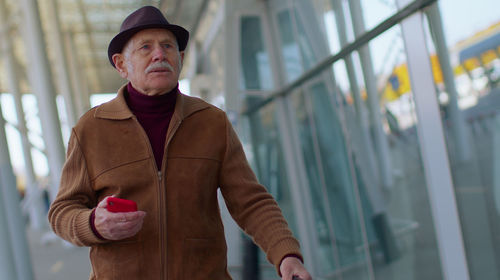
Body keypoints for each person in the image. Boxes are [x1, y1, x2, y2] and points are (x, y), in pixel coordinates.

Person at [48, 5, 312, 280]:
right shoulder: (90, 129)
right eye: (145, 48)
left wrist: (286, 255)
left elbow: (251, 202)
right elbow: (61, 212)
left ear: (180, 58)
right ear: (121, 64)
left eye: (167, 46)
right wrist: (93, 223)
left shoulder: (212, 123)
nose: (159, 54)